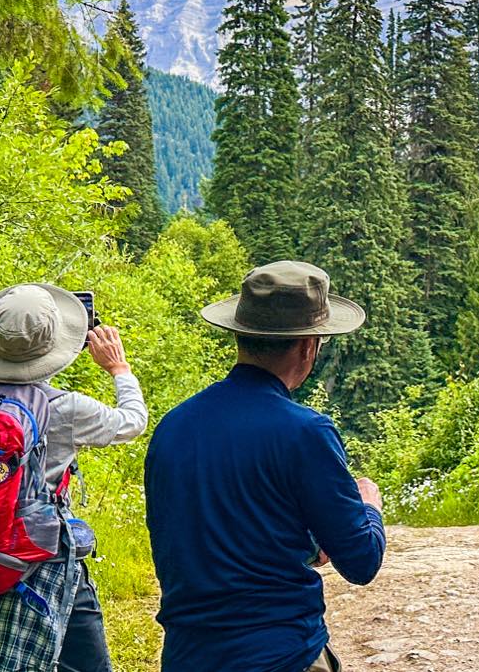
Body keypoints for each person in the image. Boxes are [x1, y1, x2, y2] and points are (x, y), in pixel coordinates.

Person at [145, 261, 386, 672]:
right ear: (309, 346)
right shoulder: (306, 432)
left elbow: (208, 541)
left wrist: (305, 545)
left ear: (240, 334)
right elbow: (362, 561)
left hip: (188, 656)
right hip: (281, 654)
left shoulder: (173, 427)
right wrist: (369, 508)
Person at [0, 284, 149, 672]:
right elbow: (134, 421)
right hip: (41, 560)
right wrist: (119, 369)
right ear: (56, 348)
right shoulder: (69, 408)